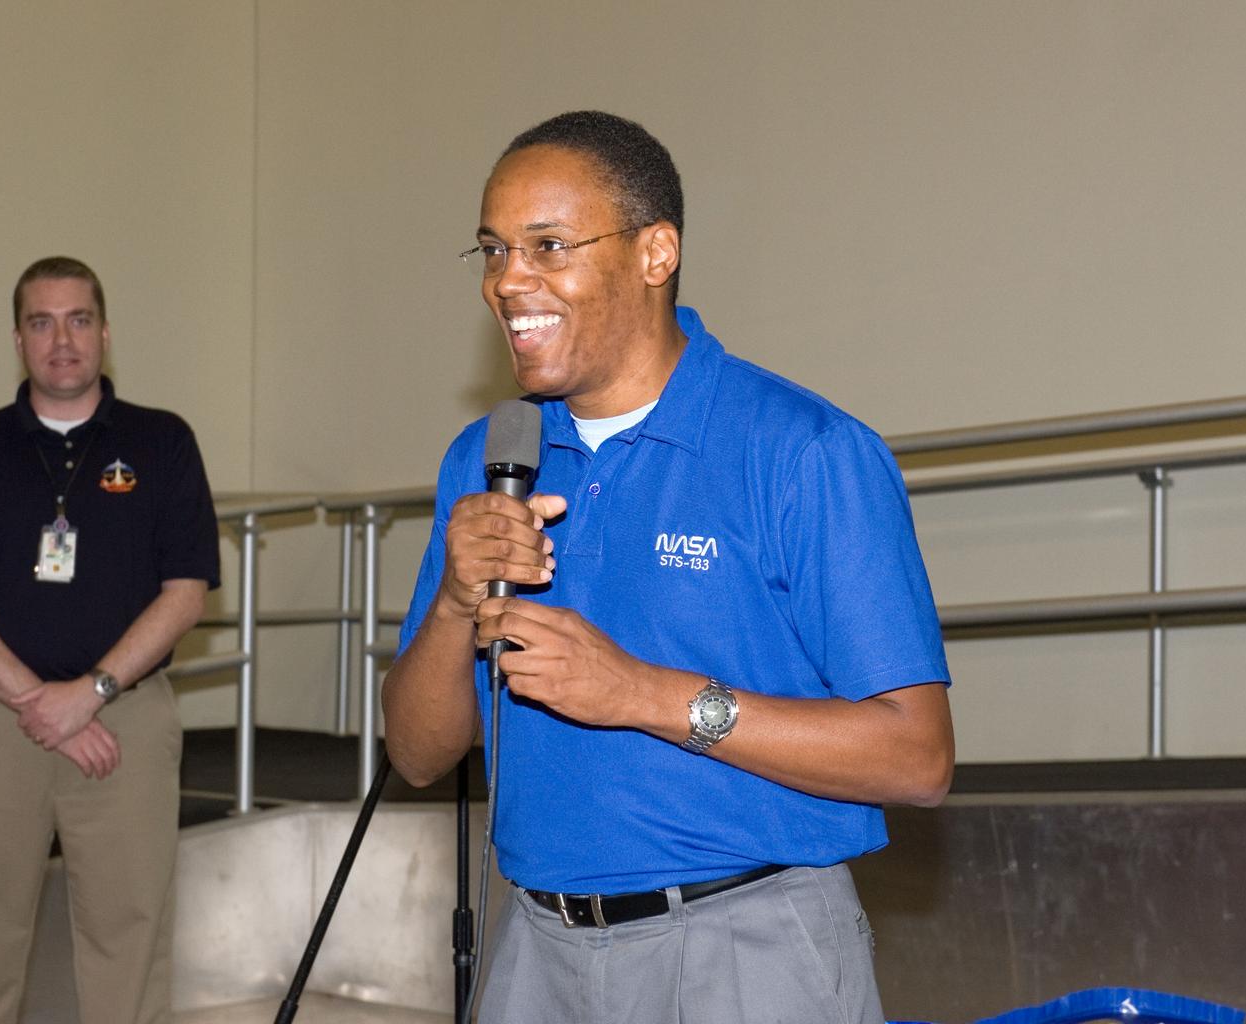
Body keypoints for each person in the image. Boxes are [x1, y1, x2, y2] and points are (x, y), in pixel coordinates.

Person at [382, 111, 954, 1024]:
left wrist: (643, 694)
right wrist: (456, 603)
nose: (507, 282)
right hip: (535, 954)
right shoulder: (489, 458)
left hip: (750, 949)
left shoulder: (803, 451)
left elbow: (917, 758)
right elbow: (415, 754)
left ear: (656, 253)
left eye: (548, 246)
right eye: (492, 251)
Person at [0, 256, 220, 1024]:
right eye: (42, 322)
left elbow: (186, 594)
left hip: (126, 719)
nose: (62, 339)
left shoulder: (162, 442)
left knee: (128, 943)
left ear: (105, 333)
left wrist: (90, 695)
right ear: (17, 338)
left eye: (78, 319)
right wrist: (37, 703)